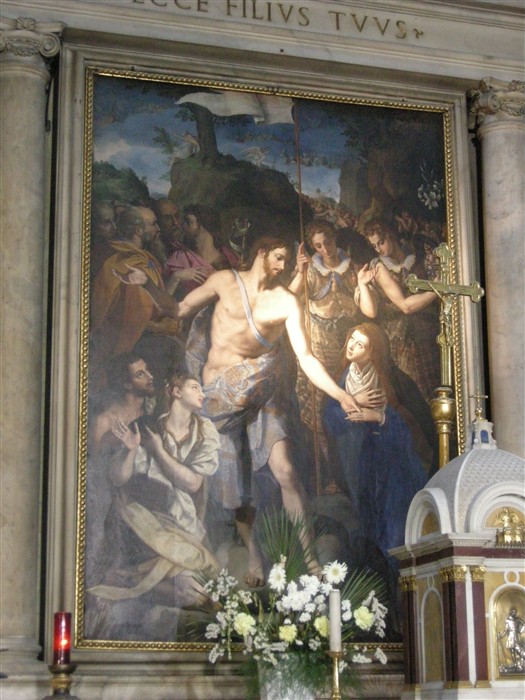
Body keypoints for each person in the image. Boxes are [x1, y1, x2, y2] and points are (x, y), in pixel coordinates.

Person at [118, 235, 362, 585]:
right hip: (218, 397)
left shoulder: (285, 301)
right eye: (278, 257)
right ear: (262, 251)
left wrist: (339, 394)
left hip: (261, 391)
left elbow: (306, 357)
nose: (282, 266)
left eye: (286, 261)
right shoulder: (224, 281)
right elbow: (179, 309)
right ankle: (253, 557)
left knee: (286, 471)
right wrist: (148, 286)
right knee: (235, 487)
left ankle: (309, 561)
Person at [86, 368, 220, 641]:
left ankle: (124, 579)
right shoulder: (146, 427)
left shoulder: (205, 431)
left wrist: (157, 450)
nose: (202, 393)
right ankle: (124, 579)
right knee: (197, 596)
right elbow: (118, 478)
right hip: (142, 522)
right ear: (176, 391)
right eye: (195, 387)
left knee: (203, 594)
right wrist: (131, 450)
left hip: (180, 523)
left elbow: (192, 484)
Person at [323, 322, 433, 558]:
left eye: (360, 344)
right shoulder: (342, 380)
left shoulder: (392, 381)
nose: (351, 346)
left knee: (392, 524)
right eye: (352, 339)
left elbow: (411, 428)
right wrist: (355, 400)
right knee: (367, 519)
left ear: (373, 352)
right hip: (358, 462)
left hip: (392, 464)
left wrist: (379, 417)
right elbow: (331, 421)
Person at [288, 219, 378, 488]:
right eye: (318, 245)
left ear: (334, 238)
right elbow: (287, 298)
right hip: (318, 343)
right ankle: (330, 474)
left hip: (347, 344)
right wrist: (299, 272)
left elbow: (369, 311)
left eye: (327, 242)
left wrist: (363, 285)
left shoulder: (352, 268)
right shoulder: (310, 270)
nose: (324, 249)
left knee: (352, 402)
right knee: (319, 410)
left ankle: (355, 471)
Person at [89, 204, 182, 389]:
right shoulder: (129, 263)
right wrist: (159, 327)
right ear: (139, 230)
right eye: (153, 224)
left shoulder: (140, 257)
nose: (158, 229)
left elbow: (155, 305)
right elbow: (134, 316)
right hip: (125, 347)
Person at [363, 217, 440, 400]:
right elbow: (405, 306)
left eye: (381, 242)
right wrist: (438, 288)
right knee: (413, 392)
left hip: (428, 332)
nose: (379, 249)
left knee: (436, 386)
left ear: (391, 235)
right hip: (402, 339)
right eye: (374, 246)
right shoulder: (379, 267)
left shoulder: (418, 254)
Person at [164, 203, 238, 299]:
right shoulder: (179, 258)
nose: (183, 226)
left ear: (203, 225)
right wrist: (176, 277)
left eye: (188, 222)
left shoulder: (229, 256)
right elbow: (166, 298)